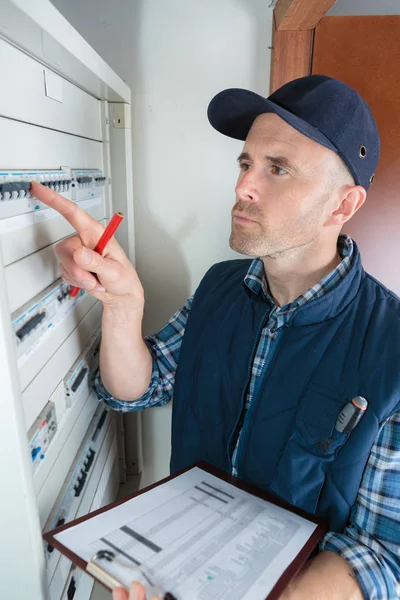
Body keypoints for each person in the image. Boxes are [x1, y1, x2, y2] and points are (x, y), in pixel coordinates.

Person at [32, 75, 400, 600]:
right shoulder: (219, 287)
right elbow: (136, 387)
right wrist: (122, 303)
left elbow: (384, 558)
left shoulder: (391, 346)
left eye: (278, 169)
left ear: (343, 206)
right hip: (176, 570)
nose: (243, 186)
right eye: (246, 164)